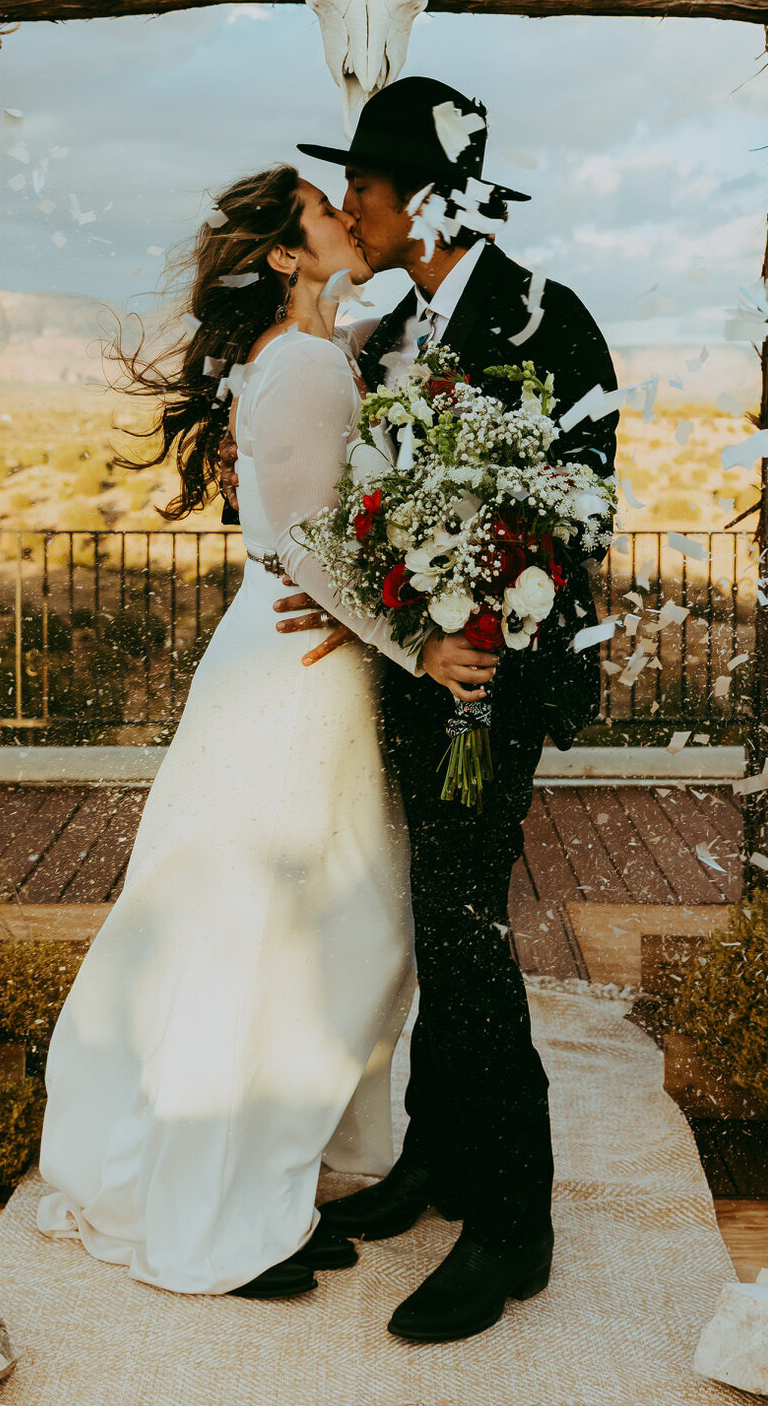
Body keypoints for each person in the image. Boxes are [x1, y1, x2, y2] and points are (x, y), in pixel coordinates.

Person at [34, 163, 494, 1300]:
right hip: (294, 667)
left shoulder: (320, 348)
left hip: (308, 657)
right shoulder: (295, 364)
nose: (349, 218)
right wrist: (423, 645)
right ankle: (216, 1217)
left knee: (333, 932)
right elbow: (300, 546)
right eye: (324, 214)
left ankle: (272, 1181)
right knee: (275, 936)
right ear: (287, 256)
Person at [266, 76, 619, 1342]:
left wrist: (479, 631)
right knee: (436, 913)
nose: (350, 204)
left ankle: (513, 1220)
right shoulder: (396, 327)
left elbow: (581, 510)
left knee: (466, 923)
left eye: (361, 182)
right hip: (422, 676)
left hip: (495, 686)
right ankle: (438, 1156)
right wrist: (373, 606)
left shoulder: (547, 319)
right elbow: (371, 506)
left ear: (417, 195)